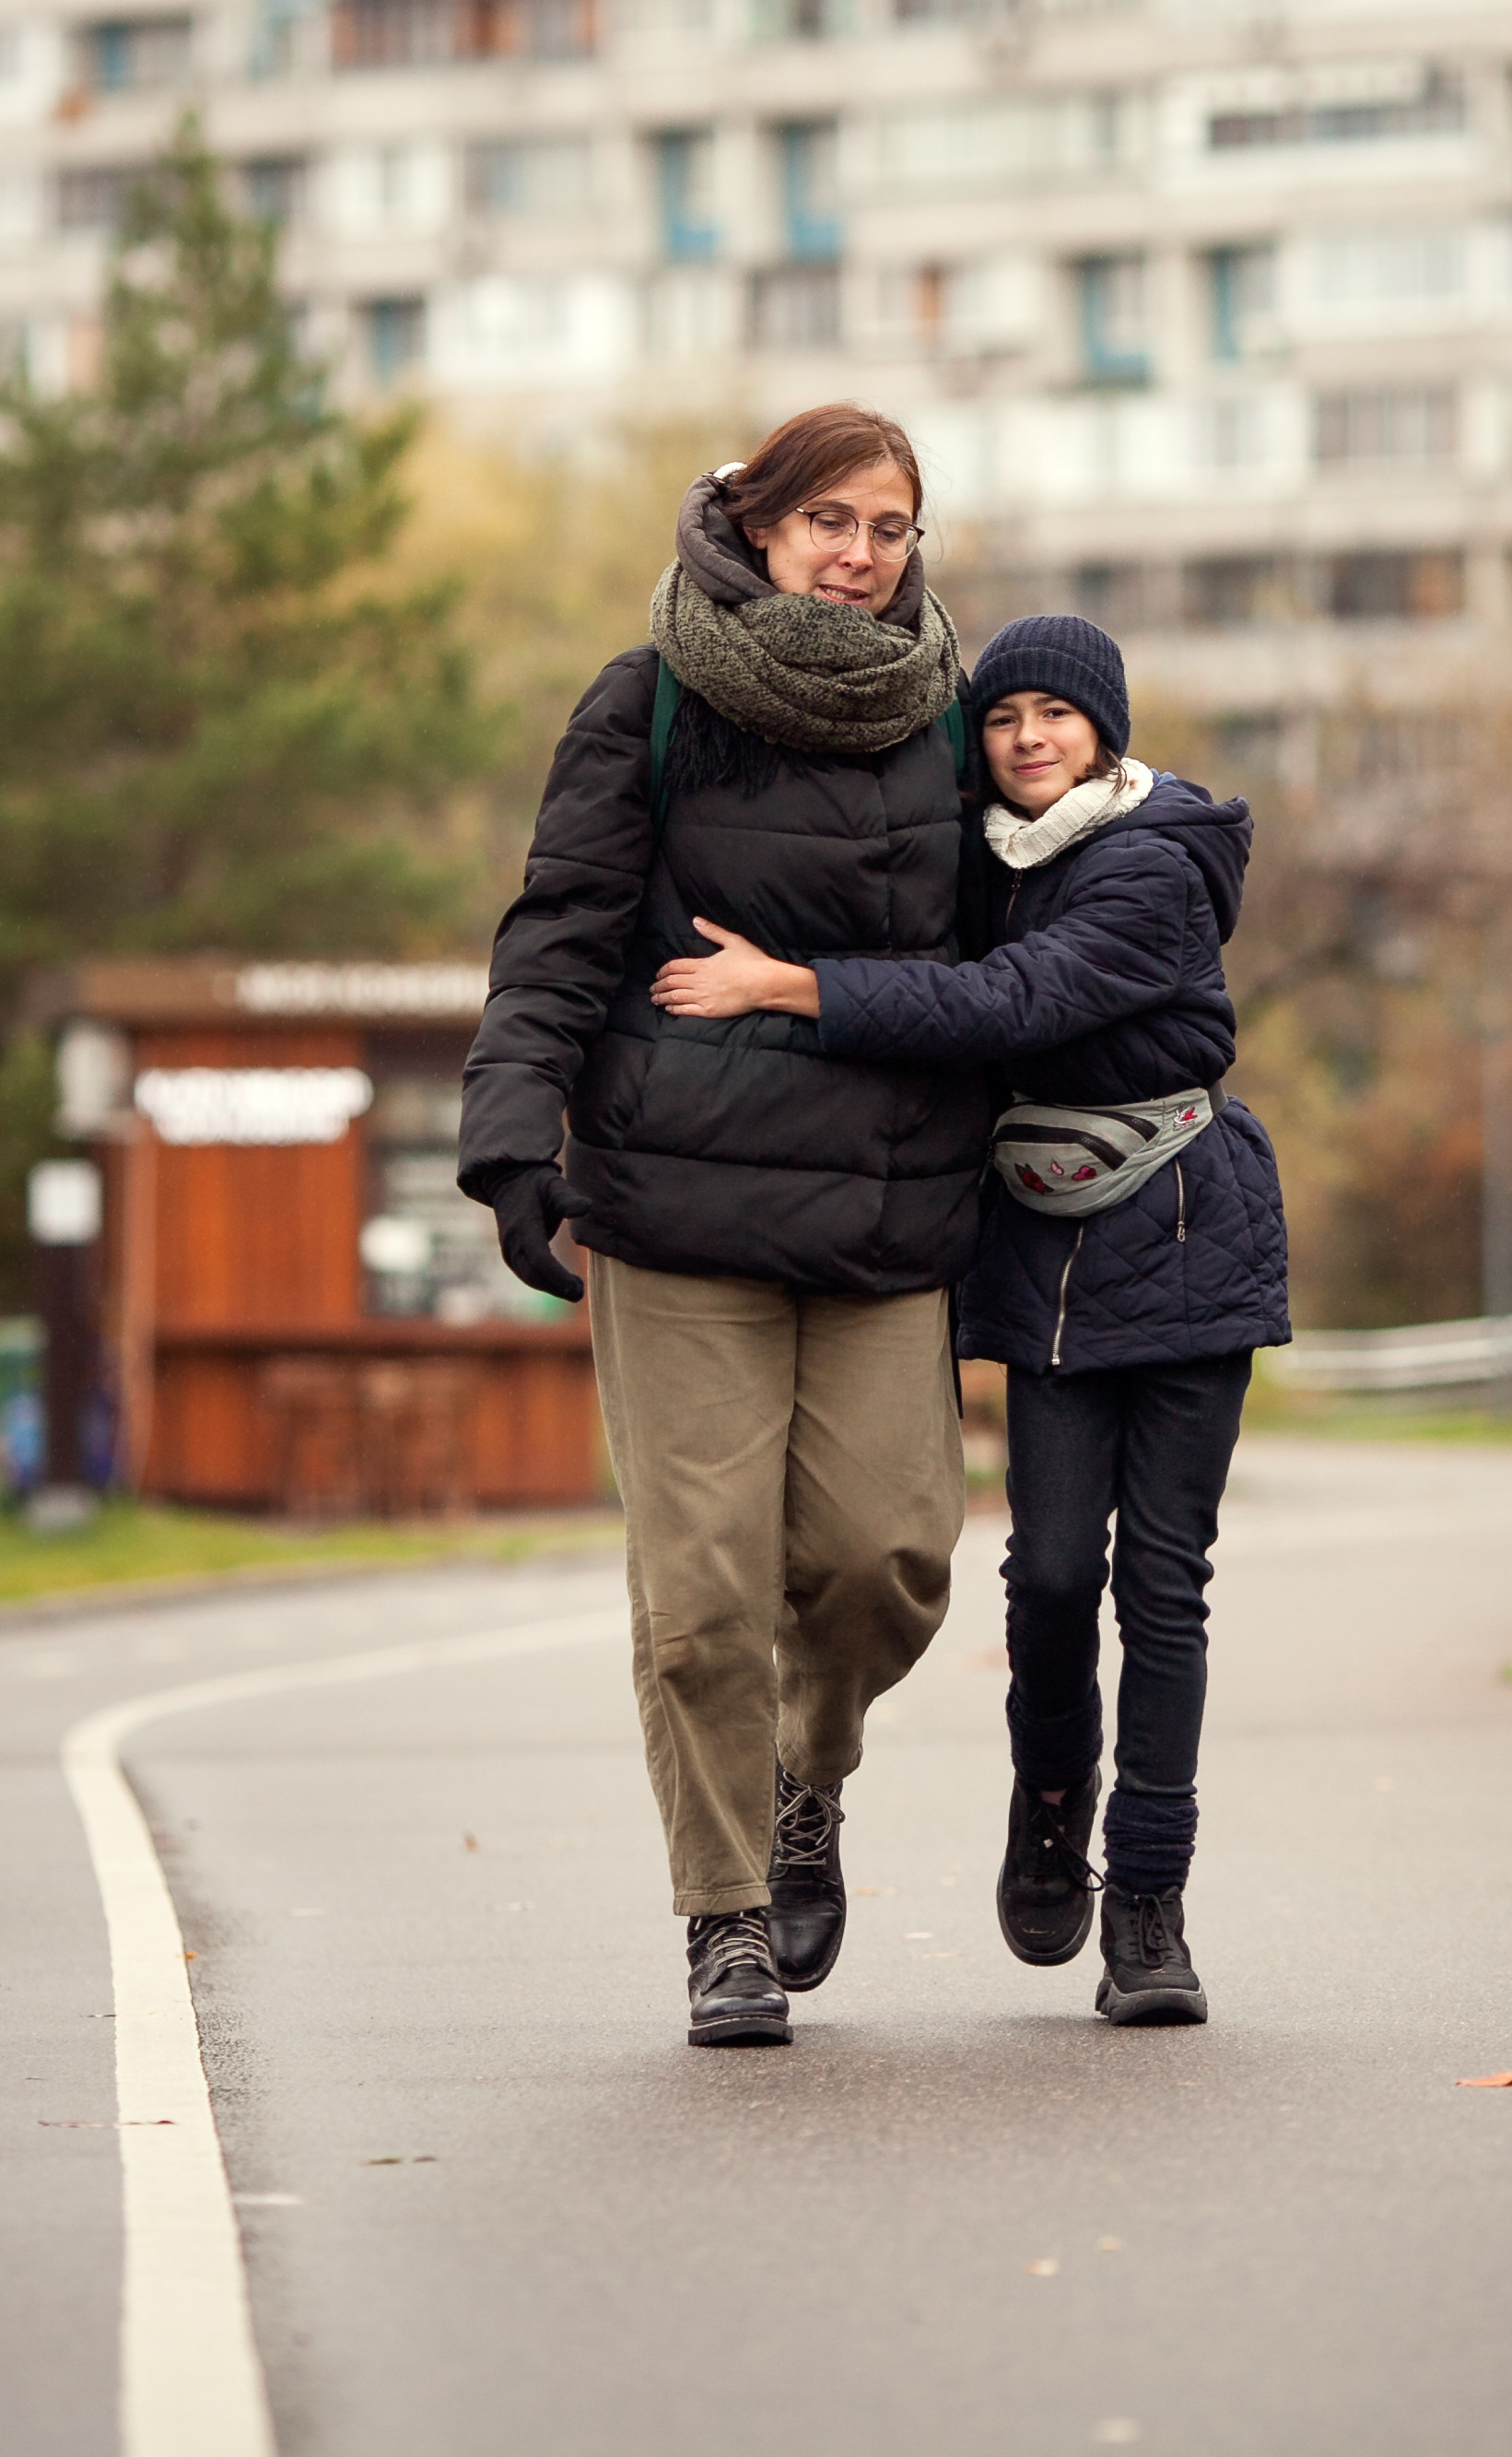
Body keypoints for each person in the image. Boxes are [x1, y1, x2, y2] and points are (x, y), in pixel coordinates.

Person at [652, 614, 1290, 2027]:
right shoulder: (987, 860)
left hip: (1183, 1232)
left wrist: (785, 985)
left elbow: (1014, 1000)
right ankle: (1051, 1800)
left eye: (1057, 715)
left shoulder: (1151, 863)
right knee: (1053, 1574)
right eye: (1001, 717)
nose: (1027, 737)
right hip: (1045, 1243)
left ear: (1105, 732)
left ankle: (1148, 1905)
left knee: (1161, 1588)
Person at [458, 406, 989, 2050]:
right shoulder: (653, 703)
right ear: (756, 528)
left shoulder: (950, 721)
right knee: (699, 1599)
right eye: (827, 518)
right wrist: (509, 1141)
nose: (857, 552)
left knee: (883, 1558)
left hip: (885, 1204)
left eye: (888, 527)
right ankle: (726, 1919)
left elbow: (1012, 959)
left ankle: (800, 1776)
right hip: (675, 1201)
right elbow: (561, 928)